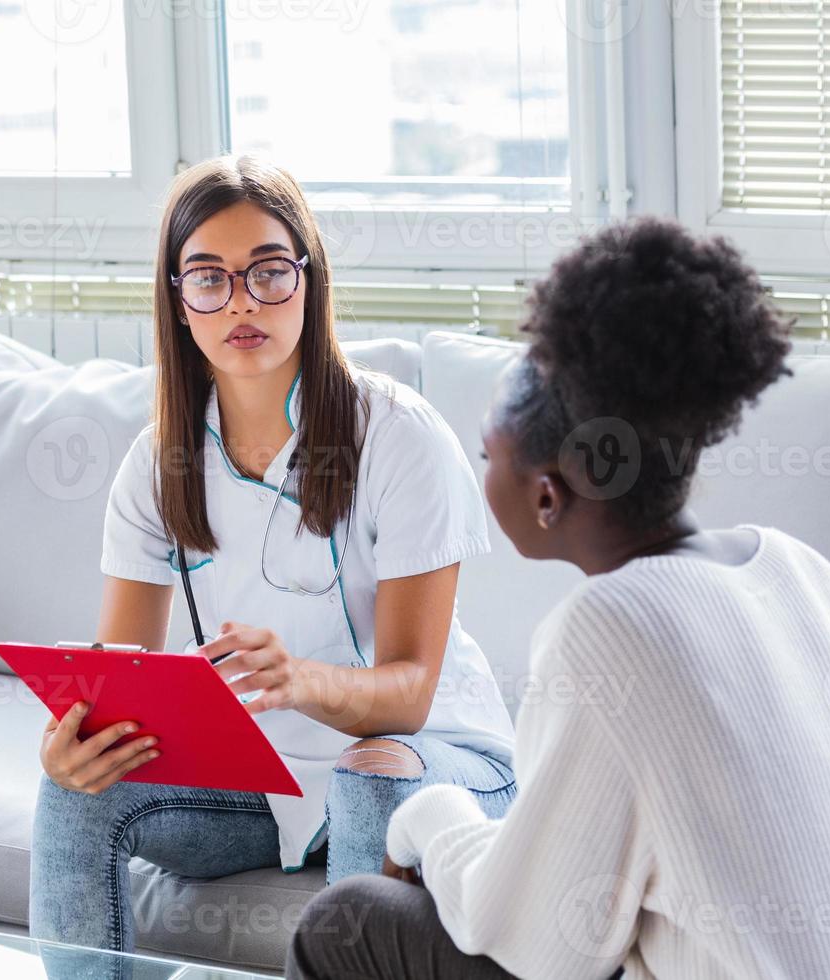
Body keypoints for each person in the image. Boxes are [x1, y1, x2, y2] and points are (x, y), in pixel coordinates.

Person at [286, 215, 830, 980]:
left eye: (488, 455)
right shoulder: (795, 570)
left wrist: (430, 817)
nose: (482, 476)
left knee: (348, 923)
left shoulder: (611, 626)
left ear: (549, 494)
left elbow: (546, 946)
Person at [27, 155, 517, 966]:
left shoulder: (400, 436)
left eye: (269, 272)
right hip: (264, 782)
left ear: (310, 281)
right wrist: (75, 742)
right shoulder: (158, 464)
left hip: (432, 760)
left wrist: (300, 681)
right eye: (210, 279)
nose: (243, 301)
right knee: (77, 788)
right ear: (178, 300)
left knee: (370, 769)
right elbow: (124, 678)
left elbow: (410, 692)